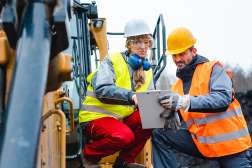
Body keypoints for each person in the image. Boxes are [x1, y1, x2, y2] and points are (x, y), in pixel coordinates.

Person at [152, 27, 252, 168]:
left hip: (232, 148)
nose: (177, 59)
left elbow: (222, 99)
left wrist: (184, 101)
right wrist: (169, 116)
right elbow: (183, 117)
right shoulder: (176, 87)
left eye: (181, 54)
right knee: (159, 134)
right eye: (174, 55)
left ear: (194, 51)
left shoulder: (213, 69)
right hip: (205, 145)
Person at [78, 19, 154, 168]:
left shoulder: (148, 71)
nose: (143, 47)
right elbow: (102, 89)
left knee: (149, 118)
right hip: (96, 117)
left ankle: (124, 162)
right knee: (124, 136)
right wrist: (131, 96)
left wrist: (164, 110)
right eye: (138, 42)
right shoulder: (112, 60)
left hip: (120, 119)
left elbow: (149, 100)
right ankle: (89, 156)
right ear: (129, 44)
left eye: (146, 43)